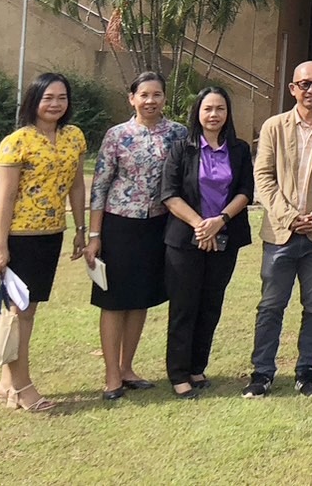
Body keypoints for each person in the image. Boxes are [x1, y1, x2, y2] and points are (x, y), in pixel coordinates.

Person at [244, 60, 312, 398]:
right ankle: (262, 373)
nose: (311, 90)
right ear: (292, 89)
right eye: (304, 84)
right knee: (271, 305)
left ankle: (307, 371)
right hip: (281, 233)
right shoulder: (274, 127)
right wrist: (288, 216)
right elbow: (263, 177)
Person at [0, 72, 88, 412]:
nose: (55, 104)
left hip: (52, 234)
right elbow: (7, 196)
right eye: (48, 98)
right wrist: (0, 246)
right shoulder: (17, 141)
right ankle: (22, 386)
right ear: (34, 100)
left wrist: (80, 228)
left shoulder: (73, 137)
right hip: (20, 237)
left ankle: (6, 383)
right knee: (21, 312)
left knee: (26, 310)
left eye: (62, 98)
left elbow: (76, 186)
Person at [86, 70, 187, 401]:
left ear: (164, 98)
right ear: (132, 98)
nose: (150, 100)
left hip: (159, 225)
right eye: (144, 94)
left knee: (141, 298)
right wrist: (94, 234)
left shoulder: (178, 133)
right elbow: (100, 185)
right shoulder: (117, 135)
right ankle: (111, 375)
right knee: (114, 300)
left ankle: (127, 367)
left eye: (156, 94)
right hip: (120, 225)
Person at [160, 86, 254, 398]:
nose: (214, 115)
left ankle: (197, 367)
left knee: (211, 304)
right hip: (187, 238)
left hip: (225, 236)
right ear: (198, 113)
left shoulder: (238, 150)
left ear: (228, 114)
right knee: (185, 306)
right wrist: (201, 225)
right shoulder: (182, 149)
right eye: (208, 109)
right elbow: (169, 194)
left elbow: (245, 191)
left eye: (220, 109)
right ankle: (178, 374)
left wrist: (220, 222)